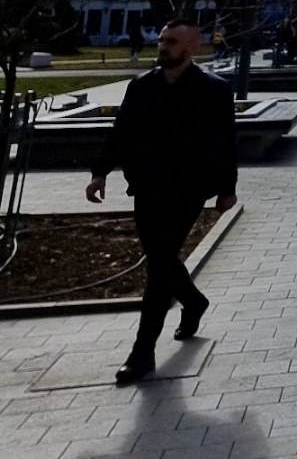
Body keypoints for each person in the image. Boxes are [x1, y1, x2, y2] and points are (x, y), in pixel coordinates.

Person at [86, 20, 237, 386]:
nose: (163, 46)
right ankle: (194, 301)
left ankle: (142, 353)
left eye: (171, 41)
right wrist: (100, 172)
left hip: (188, 189)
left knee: (158, 267)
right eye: (162, 39)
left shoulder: (213, 90)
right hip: (147, 186)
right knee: (161, 258)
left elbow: (224, 142)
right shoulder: (142, 87)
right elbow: (121, 131)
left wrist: (227, 189)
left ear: (192, 47)